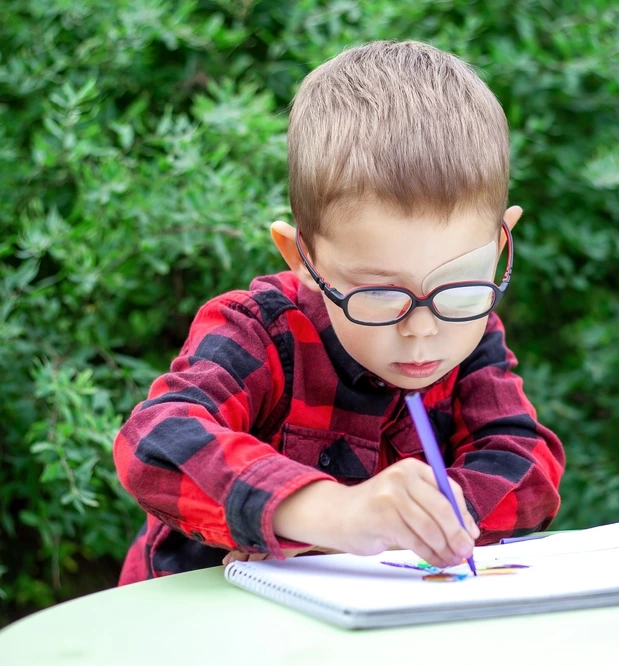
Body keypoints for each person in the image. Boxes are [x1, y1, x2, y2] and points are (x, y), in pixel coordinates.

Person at [113, 40, 565, 584]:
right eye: (378, 294)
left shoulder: (474, 333)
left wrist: (427, 522)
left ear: (500, 244)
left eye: (459, 289)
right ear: (301, 256)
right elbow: (156, 441)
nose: (422, 331)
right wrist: (330, 515)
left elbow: (528, 465)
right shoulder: (260, 330)